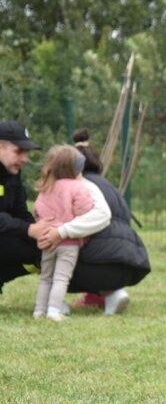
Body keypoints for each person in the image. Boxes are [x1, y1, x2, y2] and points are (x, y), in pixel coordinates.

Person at [66, 128, 151, 313]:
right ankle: (110, 293)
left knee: (56, 246)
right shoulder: (109, 187)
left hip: (100, 264)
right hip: (131, 263)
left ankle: (54, 302)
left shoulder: (78, 187)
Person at [32, 145, 100, 321]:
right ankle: (54, 311)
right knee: (61, 278)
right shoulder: (77, 187)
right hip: (68, 242)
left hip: (47, 240)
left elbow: (37, 211)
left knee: (45, 278)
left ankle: (39, 311)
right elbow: (85, 211)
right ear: (75, 168)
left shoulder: (46, 187)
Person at [0, 121, 51, 292]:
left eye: (26, 152)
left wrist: (41, 233)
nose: (25, 158)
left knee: (41, 248)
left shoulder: (12, 173)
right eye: (18, 151)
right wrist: (29, 229)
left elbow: (20, 211)